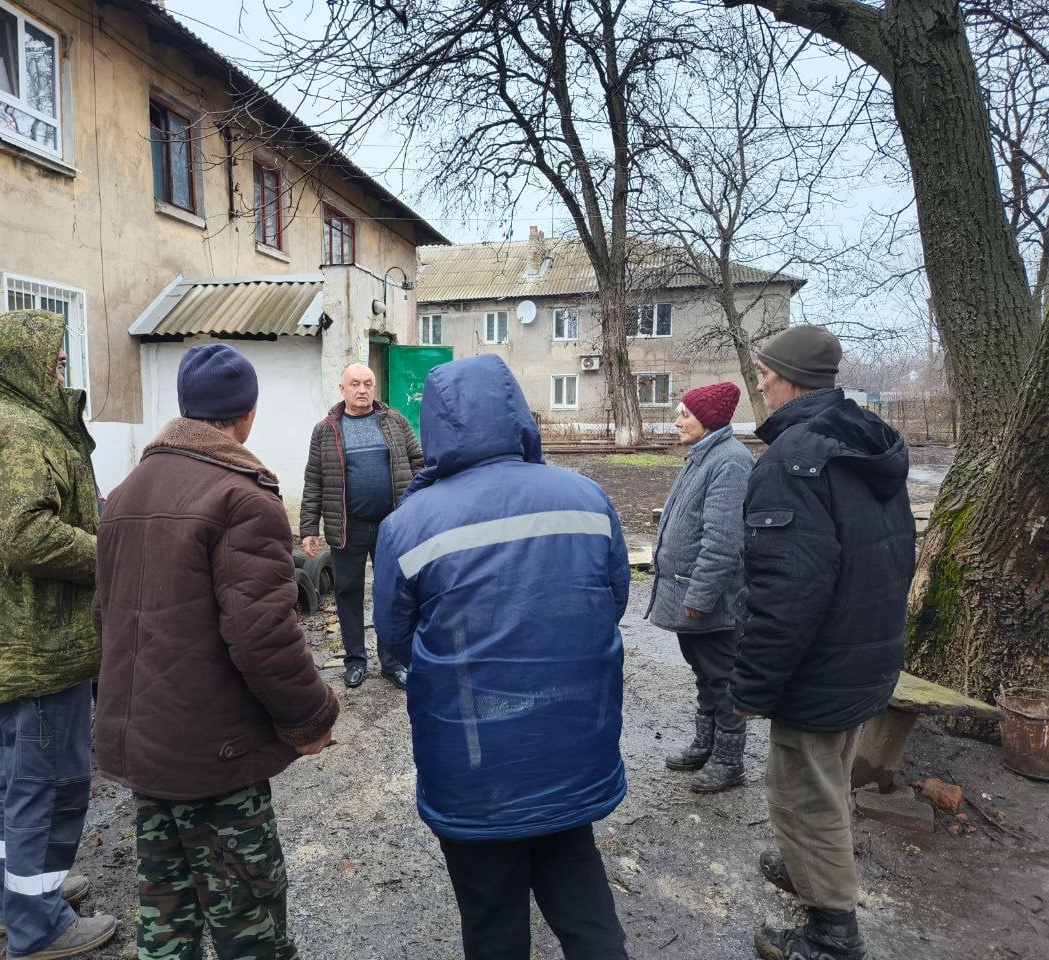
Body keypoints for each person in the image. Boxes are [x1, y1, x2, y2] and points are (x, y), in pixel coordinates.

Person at [374, 354, 631, 960]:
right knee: (581, 892)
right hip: (571, 745)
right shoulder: (586, 498)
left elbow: (395, 638)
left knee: (492, 921)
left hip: (473, 763)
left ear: (436, 426)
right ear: (518, 413)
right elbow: (612, 601)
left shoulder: (408, 524)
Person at [94, 343, 340, 960]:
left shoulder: (123, 494)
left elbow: (106, 617)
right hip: (214, 753)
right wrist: (311, 717)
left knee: (166, 918)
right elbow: (263, 636)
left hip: (147, 746)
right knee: (246, 922)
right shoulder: (243, 499)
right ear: (247, 414)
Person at [729, 327, 914, 960]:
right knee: (829, 776)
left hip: (821, 664)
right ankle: (805, 866)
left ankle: (834, 935)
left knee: (804, 796)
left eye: (764, 373)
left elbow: (787, 591)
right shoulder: (867, 441)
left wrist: (752, 686)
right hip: (866, 651)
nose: (759, 383)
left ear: (789, 380)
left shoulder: (792, 460)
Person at [0, 310, 116, 959]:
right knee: (49, 782)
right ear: (22, 362)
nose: (62, 365)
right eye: (53, 356)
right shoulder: (18, 428)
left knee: (20, 778)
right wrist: (111, 550)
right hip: (36, 644)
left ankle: (15, 896)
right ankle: (38, 925)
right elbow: (26, 535)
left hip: (16, 639)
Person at [646, 382, 754, 793]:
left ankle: (729, 760)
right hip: (691, 596)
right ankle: (705, 745)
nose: (677, 421)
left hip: (711, 602)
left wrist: (701, 596)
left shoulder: (730, 462)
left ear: (707, 419)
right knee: (705, 674)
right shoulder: (704, 455)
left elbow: (724, 541)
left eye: (685, 414)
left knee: (723, 678)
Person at [301, 362, 424, 689]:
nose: (362, 389)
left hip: (391, 526)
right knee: (348, 592)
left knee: (392, 592)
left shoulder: (395, 422)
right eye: (355, 383)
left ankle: (392, 662)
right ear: (342, 389)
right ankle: (355, 660)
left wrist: (418, 507)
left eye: (368, 383)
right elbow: (314, 479)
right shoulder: (326, 430)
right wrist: (309, 527)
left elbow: (418, 463)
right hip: (347, 526)